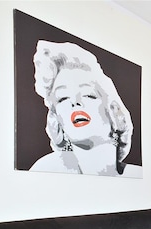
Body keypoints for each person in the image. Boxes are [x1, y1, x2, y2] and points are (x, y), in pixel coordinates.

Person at [30, 40, 142, 177]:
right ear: (56, 119)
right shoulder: (47, 169)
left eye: (88, 95)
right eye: (62, 98)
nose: (75, 102)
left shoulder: (137, 175)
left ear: (113, 112)